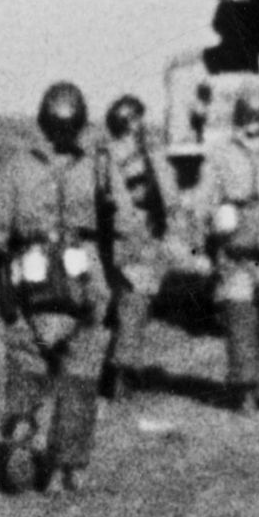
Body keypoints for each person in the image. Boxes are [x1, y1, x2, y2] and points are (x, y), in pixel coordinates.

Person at [0, 82, 118, 494]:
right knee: (65, 368)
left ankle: (41, 442)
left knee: (46, 363)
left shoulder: (26, 166)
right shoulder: (90, 164)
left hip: (56, 275)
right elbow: (124, 223)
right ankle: (53, 460)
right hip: (62, 277)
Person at [196, 79, 259, 410]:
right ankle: (245, 387)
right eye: (250, 116)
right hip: (235, 239)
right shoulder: (221, 154)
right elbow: (203, 198)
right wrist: (213, 219)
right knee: (238, 311)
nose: (255, 123)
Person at [98, 93, 176, 398]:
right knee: (135, 306)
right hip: (133, 237)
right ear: (131, 123)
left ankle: (115, 369)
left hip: (120, 239)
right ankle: (120, 374)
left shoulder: (106, 154)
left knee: (126, 306)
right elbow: (142, 199)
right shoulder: (132, 156)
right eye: (139, 118)